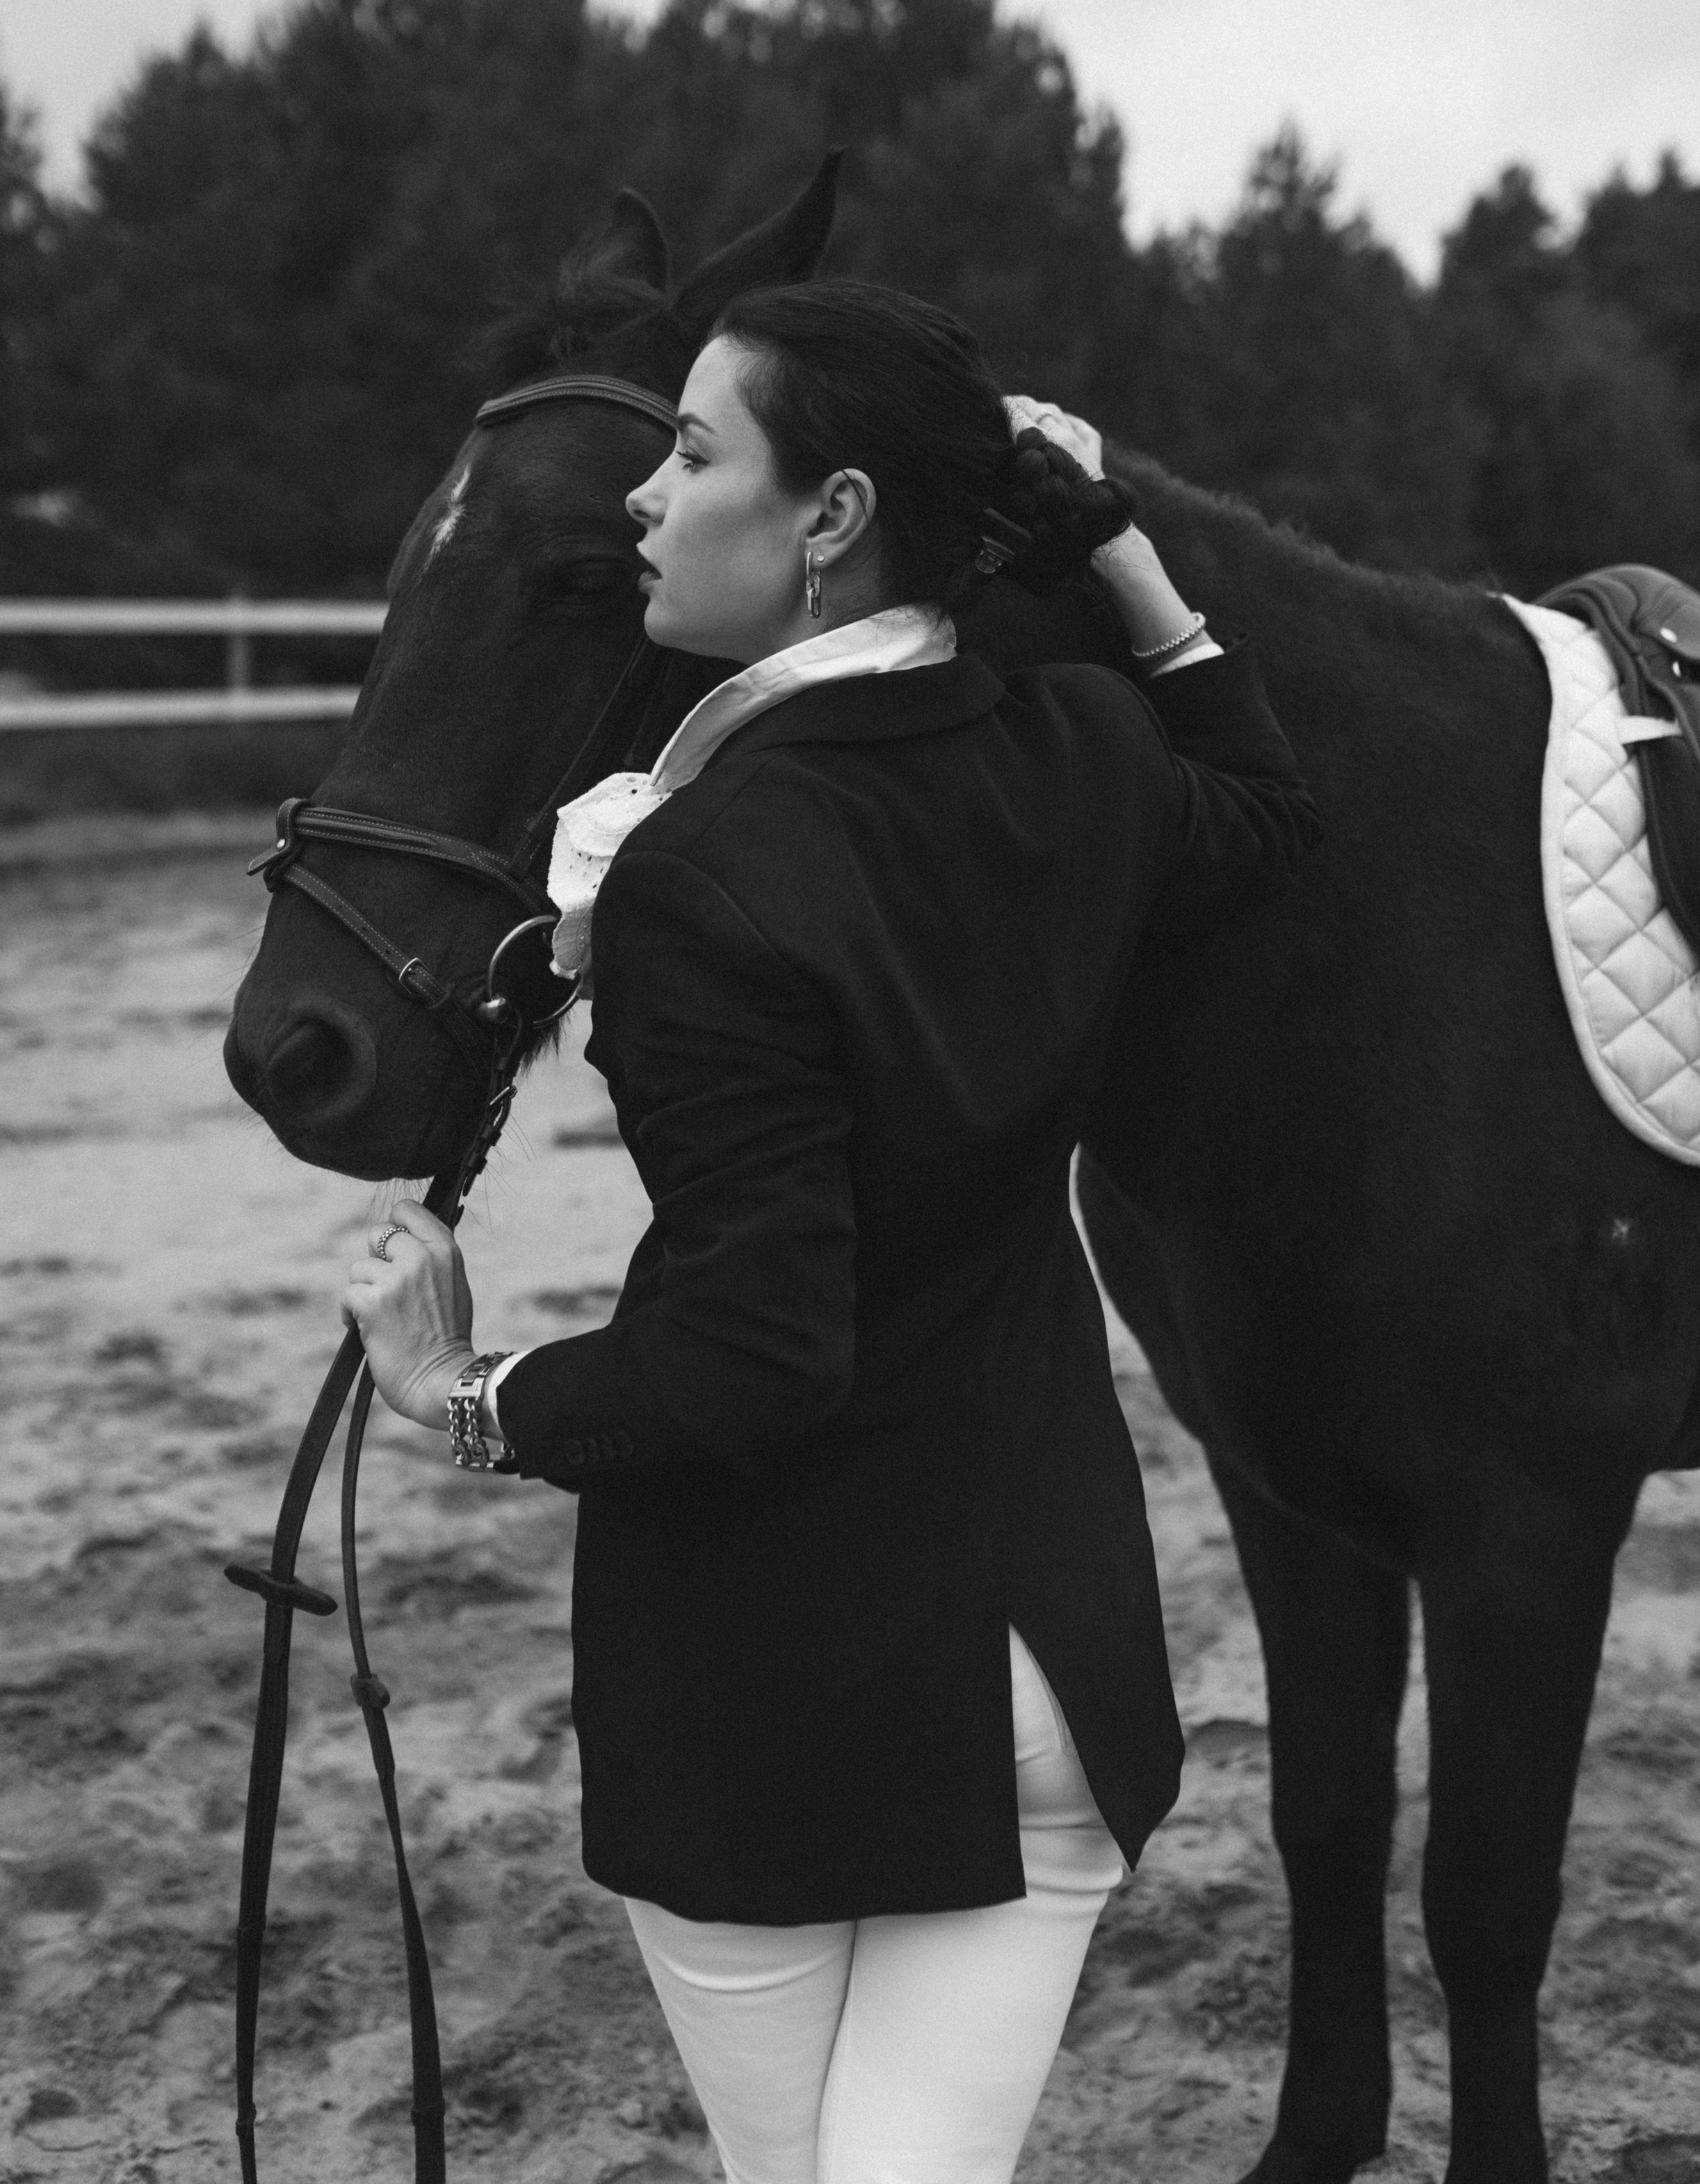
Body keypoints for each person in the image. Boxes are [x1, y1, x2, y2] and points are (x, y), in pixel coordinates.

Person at [344, 280, 1319, 2184]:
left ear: (834, 516)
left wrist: (457, 1389)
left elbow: (751, 1355)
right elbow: (1274, 814)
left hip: (774, 1694)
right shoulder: (1085, 748)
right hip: (1048, 1654)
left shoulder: (705, 874)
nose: (644, 497)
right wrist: (1123, 556)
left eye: (693, 453)